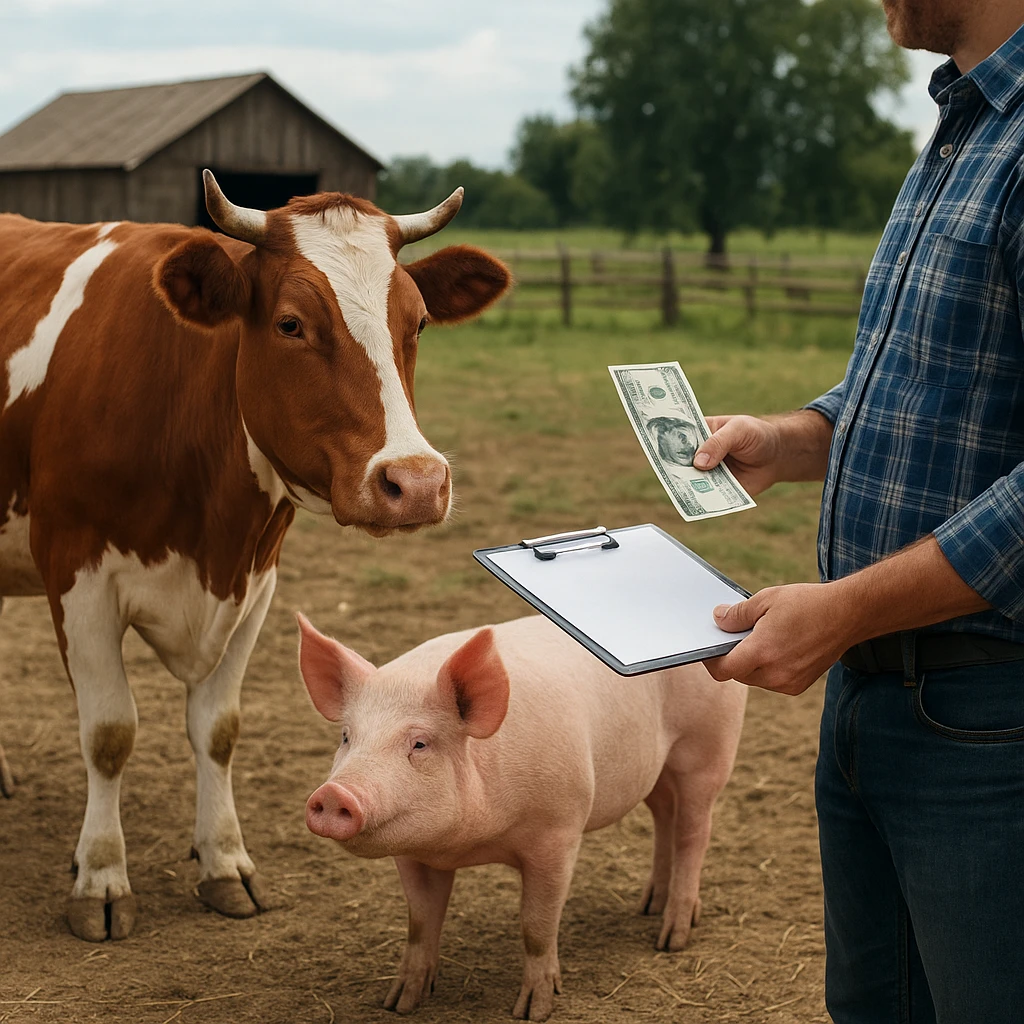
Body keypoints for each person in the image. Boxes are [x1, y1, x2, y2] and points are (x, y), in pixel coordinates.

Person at [694, 2, 1024, 1021]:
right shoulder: (966, 126)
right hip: (873, 699)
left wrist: (844, 609)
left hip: (989, 720)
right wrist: (786, 438)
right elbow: (919, 385)